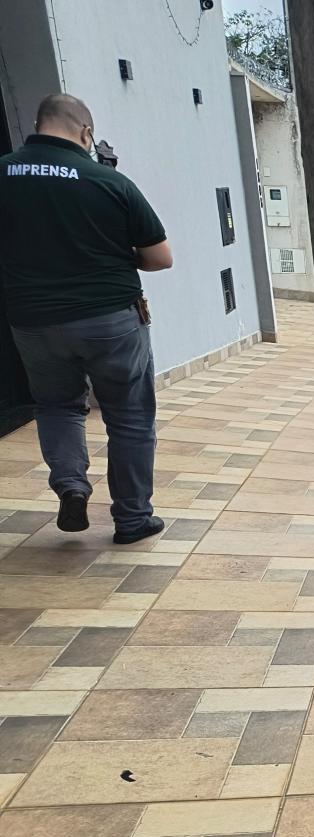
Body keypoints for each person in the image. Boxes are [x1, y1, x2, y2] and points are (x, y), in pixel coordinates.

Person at [0, 93, 172, 544]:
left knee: (57, 405)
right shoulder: (108, 181)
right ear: (85, 133)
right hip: (111, 320)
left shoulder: (4, 172)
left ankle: (72, 486)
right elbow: (160, 257)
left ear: (37, 126)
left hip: (33, 321)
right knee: (130, 417)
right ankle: (133, 519)